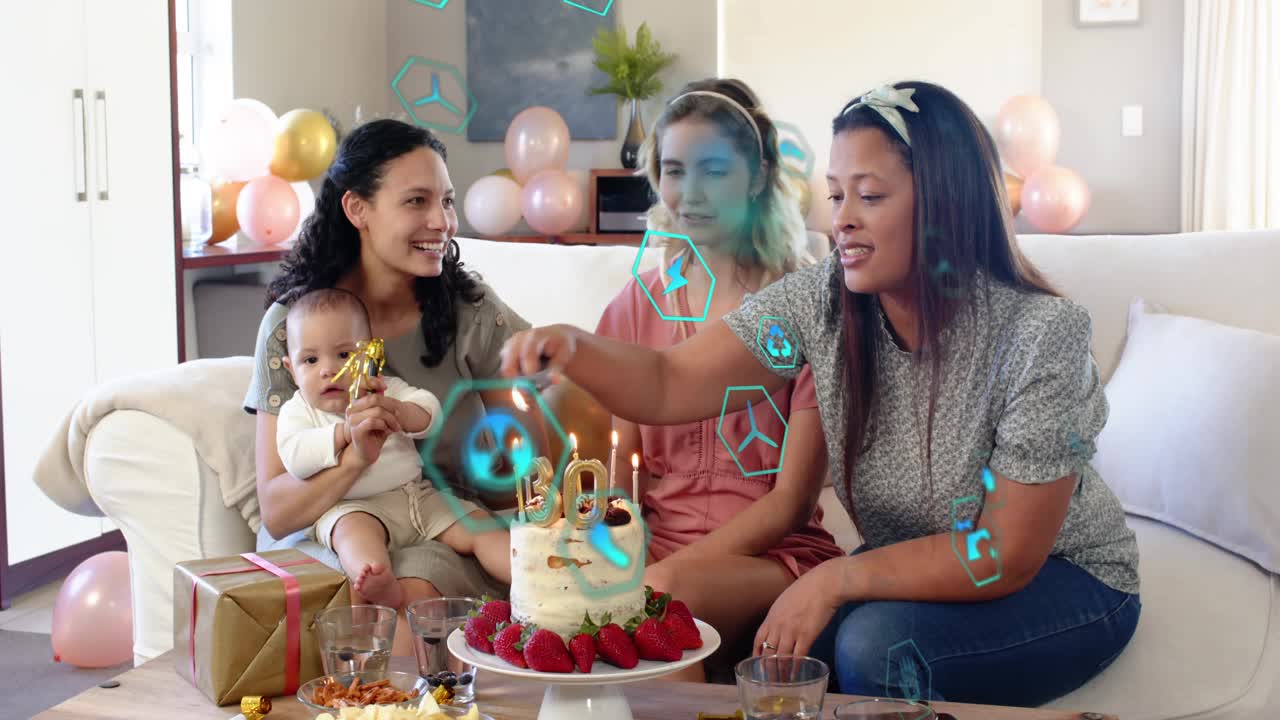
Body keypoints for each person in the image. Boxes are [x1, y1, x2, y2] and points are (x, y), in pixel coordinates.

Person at [498, 81, 1141, 707]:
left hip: (1066, 579)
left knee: (871, 648)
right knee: (797, 656)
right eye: (836, 196)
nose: (842, 221)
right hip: (917, 567)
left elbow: (1001, 551)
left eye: (870, 195)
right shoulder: (826, 300)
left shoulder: (1041, 335)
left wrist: (839, 577)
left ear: (946, 205)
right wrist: (576, 348)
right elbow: (673, 382)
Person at [246, 119, 534, 645]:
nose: (441, 221)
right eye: (416, 201)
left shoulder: (469, 313)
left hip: (435, 522)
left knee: (416, 597)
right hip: (326, 527)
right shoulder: (294, 330)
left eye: (446, 201)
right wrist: (356, 456)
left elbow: (535, 424)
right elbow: (279, 509)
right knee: (365, 592)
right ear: (357, 209)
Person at [593, 78, 843, 682]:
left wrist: (649, 579)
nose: (690, 193)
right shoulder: (636, 304)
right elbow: (625, 472)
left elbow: (790, 504)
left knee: (656, 606)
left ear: (758, 177)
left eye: (714, 170)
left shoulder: (808, 305)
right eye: (675, 170)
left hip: (771, 556)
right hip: (655, 548)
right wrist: (606, 550)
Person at [275, 288, 512, 609]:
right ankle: (376, 578)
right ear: (291, 369)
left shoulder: (381, 391)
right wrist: (344, 433)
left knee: (478, 527)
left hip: (415, 496)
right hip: (353, 506)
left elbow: (428, 408)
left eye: (344, 355)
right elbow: (295, 457)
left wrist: (400, 412)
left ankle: (528, 577)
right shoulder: (298, 411)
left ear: (369, 355)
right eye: (311, 359)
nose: (328, 369)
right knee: (352, 539)